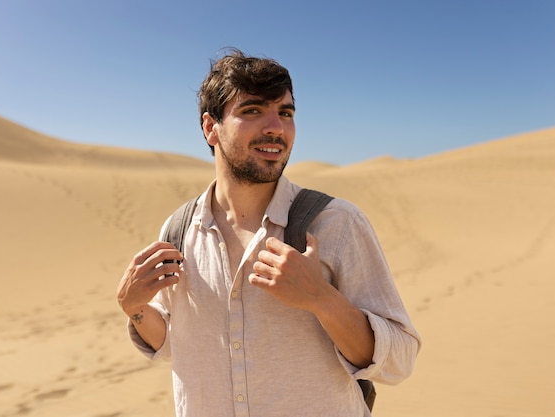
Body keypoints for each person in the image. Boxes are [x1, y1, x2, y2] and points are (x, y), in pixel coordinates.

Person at [116, 48, 421, 417]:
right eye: (253, 110)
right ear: (211, 128)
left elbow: (399, 360)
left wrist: (321, 298)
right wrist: (133, 308)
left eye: (286, 112)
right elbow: (173, 345)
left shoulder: (336, 223)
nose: (276, 127)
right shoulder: (180, 229)